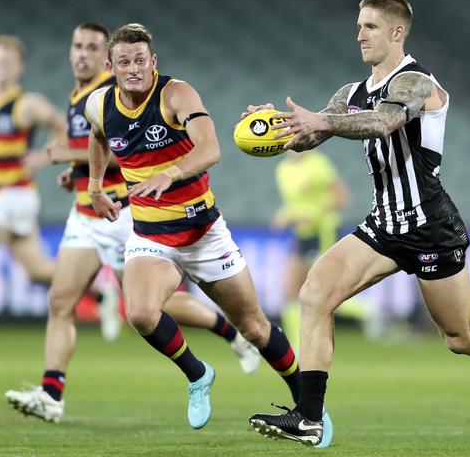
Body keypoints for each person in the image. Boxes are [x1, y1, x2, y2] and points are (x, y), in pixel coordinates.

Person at [249, 0, 470, 446]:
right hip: (384, 224)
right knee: (315, 294)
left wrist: (321, 122)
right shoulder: (351, 92)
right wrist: (271, 128)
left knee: (462, 336)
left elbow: (383, 123)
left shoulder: (417, 82)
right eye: (359, 25)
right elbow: (310, 137)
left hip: (429, 225)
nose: (359, 34)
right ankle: (308, 415)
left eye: (370, 26)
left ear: (397, 32)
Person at [83, 23, 332, 444]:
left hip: (203, 234)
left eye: (141, 60)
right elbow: (97, 136)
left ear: (153, 62)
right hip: (151, 236)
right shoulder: (99, 104)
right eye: (123, 62)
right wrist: (93, 186)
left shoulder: (176, 94)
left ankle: (309, 409)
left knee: (254, 328)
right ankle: (198, 374)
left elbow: (211, 148)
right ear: (110, 66)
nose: (133, 69)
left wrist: (170, 173)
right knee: (140, 313)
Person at [5, 23, 259, 424]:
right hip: (88, 213)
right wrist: (83, 178)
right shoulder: (82, 101)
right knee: (60, 300)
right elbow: (100, 142)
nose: (82, 54)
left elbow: (139, 149)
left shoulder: (124, 90)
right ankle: (52, 393)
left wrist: (64, 155)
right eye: (77, 46)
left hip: (129, 212)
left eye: (91, 47)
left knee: (148, 305)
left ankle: (234, 335)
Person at [0, 35, 64, 359]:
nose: (1, 68)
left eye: (7, 63)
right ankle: (97, 288)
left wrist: (42, 157)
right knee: (37, 270)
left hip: (15, 195)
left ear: (19, 67)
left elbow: (64, 130)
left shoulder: (27, 103)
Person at [274, 150, 377, 347]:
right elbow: (294, 204)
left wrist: (312, 214)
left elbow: (341, 197)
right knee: (290, 290)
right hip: (303, 234)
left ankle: (371, 313)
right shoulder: (283, 169)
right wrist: (285, 214)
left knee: (324, 290)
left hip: (324, 232)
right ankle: (297, 347)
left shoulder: (318, 164)